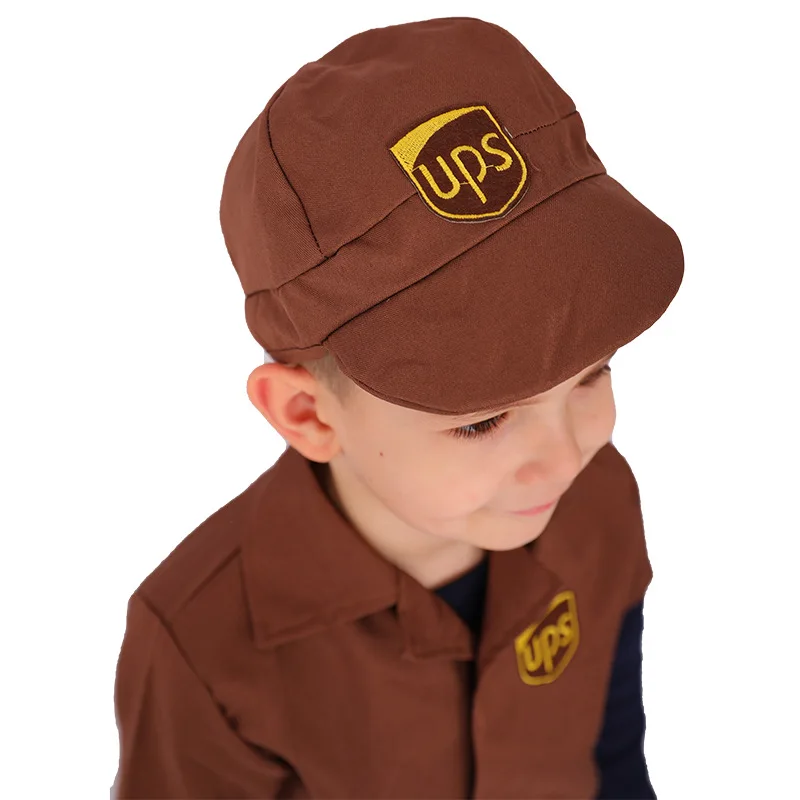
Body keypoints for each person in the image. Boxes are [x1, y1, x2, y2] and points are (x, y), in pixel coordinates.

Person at [111, 15, 683, 799]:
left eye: (593, 373)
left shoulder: (599, 502)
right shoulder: (201, 643)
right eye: (482, 420)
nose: (564, 455)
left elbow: (612, 758)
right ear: (309, 415)